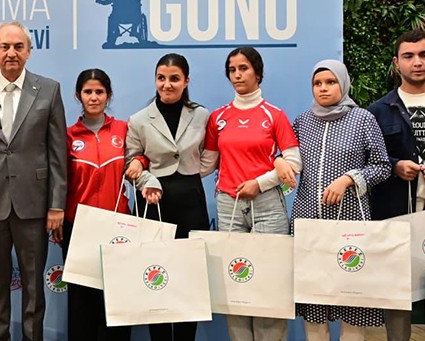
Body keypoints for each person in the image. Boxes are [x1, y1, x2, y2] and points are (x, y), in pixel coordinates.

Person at [0, 21, 67, 341]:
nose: (11, 53)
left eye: (18, 47)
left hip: (34, 204)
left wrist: (56, 205)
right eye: (4, 47)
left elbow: (57, 154)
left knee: (34, 288)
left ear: (29, 51)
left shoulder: (49, 90)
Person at [287, 60, 391, 341]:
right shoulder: (303, 121)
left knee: (351, 294)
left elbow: (382, 166)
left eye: (330, 82)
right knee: (313, 296)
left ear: (343, 84)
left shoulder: (363, 119)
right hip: (309, 222)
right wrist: (280, 163)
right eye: (317, 83)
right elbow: (289, 159)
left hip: (350, 222)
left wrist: (349, 179)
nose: (323, 88)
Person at [204, 46, 301, 341]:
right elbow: (205, 164)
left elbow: (294, 163)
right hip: (229, 204)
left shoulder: (274, 115)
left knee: (269, 283)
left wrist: (260, 183)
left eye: (243, 68)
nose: (237, 75)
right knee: (235, 281)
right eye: (232, 70)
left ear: (258, 73)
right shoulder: (218, 117)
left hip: (267, 204)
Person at [124, 53, 217, 340]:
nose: (167, 84)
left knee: (189, 280)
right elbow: (131, 164)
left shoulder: (202, 115)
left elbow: (210, 156)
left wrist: (189, 173)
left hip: (191, 200)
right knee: (157, 278)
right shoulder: (139, 120)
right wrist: (149, 181)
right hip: (153, 202)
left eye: (174, 79)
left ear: (186, 81)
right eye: (161, 78)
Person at [367, 29, 425, 341]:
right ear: (396, 62)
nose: (417, 62)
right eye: (409, 56)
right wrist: (394, 166)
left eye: (424, 55)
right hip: (394, 215)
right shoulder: (377, 110)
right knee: (396, 292)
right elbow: (368, 160)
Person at [62, 68, 132, 341]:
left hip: (119, 227)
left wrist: (140, 163)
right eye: (88, 92)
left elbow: (140, 158)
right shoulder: (68, 136)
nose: (93, 97)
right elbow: (59, 182)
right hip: (79, 228)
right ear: (78, 95)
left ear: (108, 95)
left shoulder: (124, 130)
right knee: (82, 304)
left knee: (119, 302)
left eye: (99, 92)